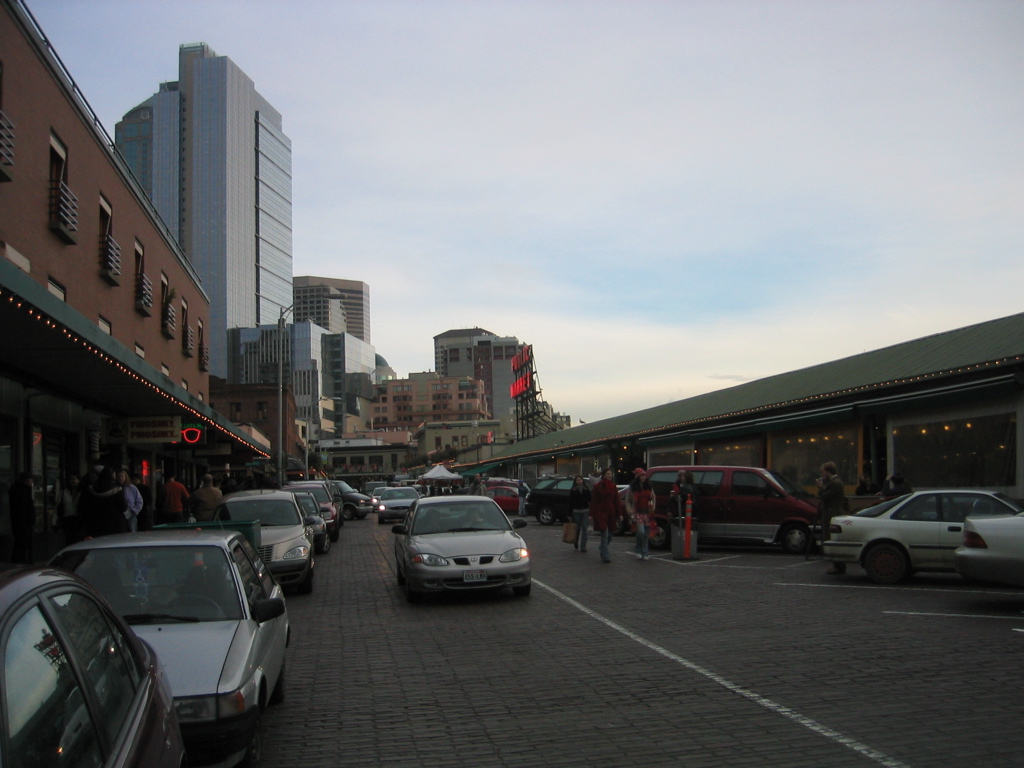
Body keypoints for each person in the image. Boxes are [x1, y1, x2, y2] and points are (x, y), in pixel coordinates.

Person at [817, 461, 848, 575]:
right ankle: (837, 564)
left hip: (832, 514)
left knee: (832, 539)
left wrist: (821, 488)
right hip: (832, 513)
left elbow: (825, 496)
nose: (822, 475)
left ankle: (838, 565)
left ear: (828, 472)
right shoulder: (834, 482)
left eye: (823, 472)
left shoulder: (835, 483)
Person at [589, 468, 624, 564]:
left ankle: (602, 547)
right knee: (604, 534)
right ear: (603, 475)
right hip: (601, 513)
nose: (609, 476)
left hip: (611, 513)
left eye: (610, 474)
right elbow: (594, 502)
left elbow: (616, 501)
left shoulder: (613, 486)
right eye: (608, 474)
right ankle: (605, 556)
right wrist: (591, 514)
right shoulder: (598, 486)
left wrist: (620, 514)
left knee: (610, 535)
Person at [625, 469, 655, 560]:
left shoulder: (649, 487)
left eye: (644, 476)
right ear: (638, 477)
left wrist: (653, 507)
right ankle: (638, 549)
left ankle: (645, 552)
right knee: (641, 532)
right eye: (641, 476)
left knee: (646, 534)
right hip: (637, 512)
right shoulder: (632, 488)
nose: (643, 477)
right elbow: (628, 500)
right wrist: (630, 510)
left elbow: (653, 497)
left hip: (647, 512)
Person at [9, 472, 35, 564]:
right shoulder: (24, 491)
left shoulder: (17, 490)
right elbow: (24, 509)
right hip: (23, 524)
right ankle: (20, 563)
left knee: (20, 545)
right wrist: (27, 522)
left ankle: (17, 562)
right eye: (31, 480)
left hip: (20, 524)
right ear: (27, 480)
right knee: (22, 545)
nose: (32, 482)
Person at [568, 475, 592, 552]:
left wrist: (591, 511)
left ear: (583, 481)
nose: (579, 481)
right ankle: (576, 541)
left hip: (585, 511)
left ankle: (583, 546)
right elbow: (570, 503)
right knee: (577, 529)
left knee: (585, 529)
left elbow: (590, 500)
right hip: (576, 512)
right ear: (575, 482)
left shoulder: (586, 489)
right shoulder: (573, 490)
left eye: (580, 480)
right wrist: (569, 514)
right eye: (577, 480)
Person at [58, 473, 83, 545]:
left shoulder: (82, 491)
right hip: (67, 518)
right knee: (68, 539)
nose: (72, 481)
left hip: (78, 519)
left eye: (74, 479)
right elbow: (59, 504)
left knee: (77, 539)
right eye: (70, 479)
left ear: (79, 480)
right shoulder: (64, 491)